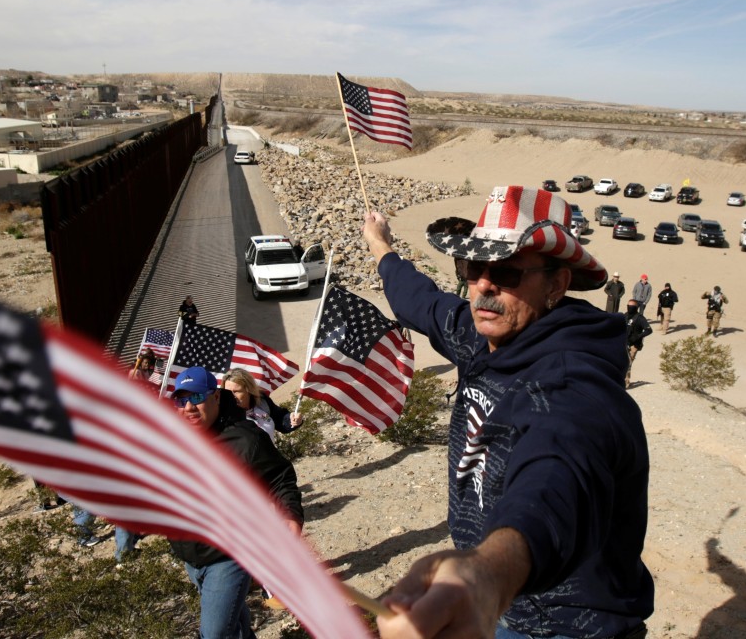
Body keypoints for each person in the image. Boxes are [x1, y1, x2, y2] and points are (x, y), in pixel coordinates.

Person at [362, 185, 652, 639]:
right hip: (502, 609)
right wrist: (382, 246)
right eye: (473, 267)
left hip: (565, 624)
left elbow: (556, 475)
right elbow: (421, 301)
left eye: (508, 273)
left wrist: (489, 572)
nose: (483, 285)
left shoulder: (573, 382)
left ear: (556, 284)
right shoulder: (483, 336)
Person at [168, 367, 303, 639]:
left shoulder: (246, 438)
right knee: (235, 621)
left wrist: (289, 514)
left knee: (215, 632)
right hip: (190, 554)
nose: (189, 407)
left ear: (216, 397)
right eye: (182, 400)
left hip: (230, 553)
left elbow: (280, 477)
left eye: (196, 398)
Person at [221, 367, 302, 440]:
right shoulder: (224, 417)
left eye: (236, 391)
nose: (231, 396)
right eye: (227, 392)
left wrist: (292, 419)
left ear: (249, 389)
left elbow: (279, 418)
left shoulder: (261, 401)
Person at [624, 300, 653, 388]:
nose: (629, 308)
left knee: (628, 363)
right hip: (624, 342)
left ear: (636, 308)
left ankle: (625, 383)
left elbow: (649, 330)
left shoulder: (640, 318)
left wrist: (638, 336)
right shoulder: (625, 316)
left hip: (634, 344)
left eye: (631, 306)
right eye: (628, 306)